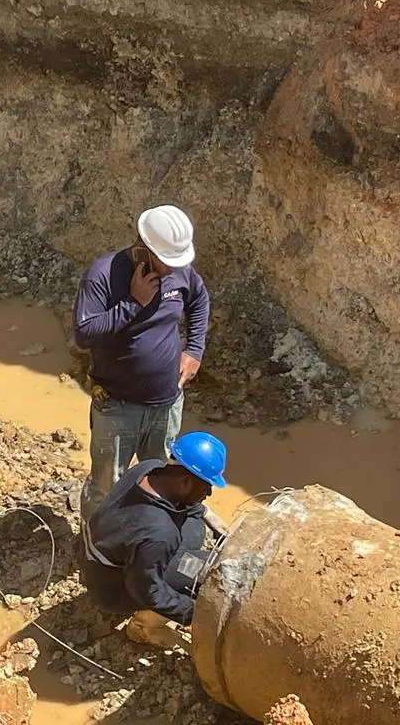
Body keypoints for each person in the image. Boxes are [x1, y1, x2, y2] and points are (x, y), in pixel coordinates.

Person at [73, 204, 210, 520]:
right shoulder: (104, 275)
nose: (173, 270)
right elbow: (83, 335)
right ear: (144, 249)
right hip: (118, 407)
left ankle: (145, 540)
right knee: (107, 487)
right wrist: (132, 304)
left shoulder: (180, 272)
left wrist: (195, 350)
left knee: (163, 482)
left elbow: (199, 300)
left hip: (166, 404)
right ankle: (97, 550)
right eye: (166, 262)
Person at [79, 430, 229, 647]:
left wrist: (208, 515)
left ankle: (163, 567)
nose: (209, 494)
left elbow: (189, 508)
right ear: (185, 481)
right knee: (204, 572)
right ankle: (143, 626)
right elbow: (148, 591)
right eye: (206, 487)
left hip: (102, 555)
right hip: (112, 588)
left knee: (195, 526)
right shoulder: (159, 533)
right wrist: (193, 612)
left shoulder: (148, 468)